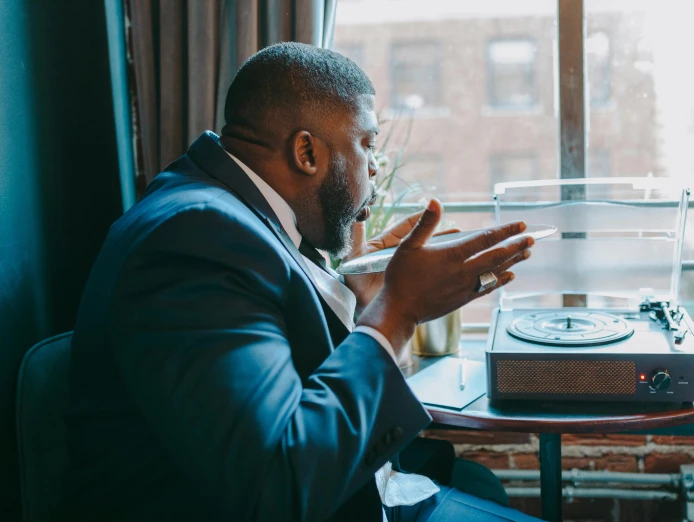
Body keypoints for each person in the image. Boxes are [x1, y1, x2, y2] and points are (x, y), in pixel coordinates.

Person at [57, 42, 539, 522]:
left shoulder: (237, 211)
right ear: (307, 151)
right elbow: (277, 488)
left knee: (480, 484)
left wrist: (355, 299)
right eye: (367, 144)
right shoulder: (197, 239)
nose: (375, 167)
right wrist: (396, 313)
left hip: (364, 491)